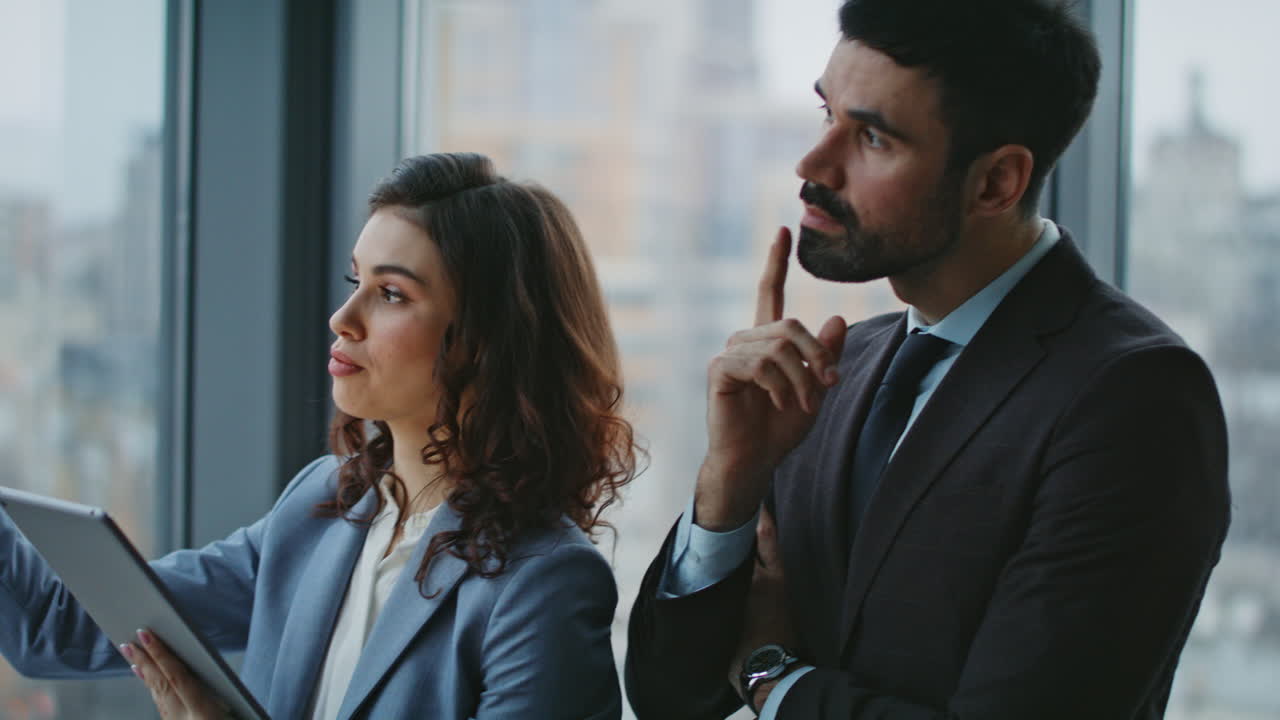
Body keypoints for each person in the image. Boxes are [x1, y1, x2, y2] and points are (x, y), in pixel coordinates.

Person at [625, 1, 1229, 718]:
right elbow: (670, 699)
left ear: (996, 183)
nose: (812, 165)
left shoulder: (1135, 397)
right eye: (827, 115)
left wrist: (774, 681)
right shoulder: (833, 371)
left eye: (872, 137)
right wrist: (730, 482)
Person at [0, 152, 638, 719]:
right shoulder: (322, 508)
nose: (343, 318)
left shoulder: (545, 585)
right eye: (355, 282)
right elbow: (58, 628)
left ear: (487, 340)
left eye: (391, 294)